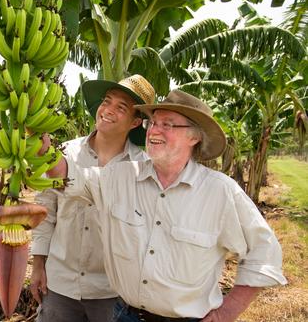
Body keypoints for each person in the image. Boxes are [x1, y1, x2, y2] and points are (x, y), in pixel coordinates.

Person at [46, 90, 286, 321]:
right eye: (153, 123)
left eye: (168, 124)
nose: (154, 130)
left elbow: (264, 253)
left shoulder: (220, 192)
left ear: (194, 137)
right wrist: (40, 143)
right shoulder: (119, 176)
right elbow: (67, 176)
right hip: (124, 315)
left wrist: (225, 314)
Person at [30, 74, 156, 321]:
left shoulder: (143, 169)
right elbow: (45, 211)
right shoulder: (66, 153)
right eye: (106, 101)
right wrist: (37, 266)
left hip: (110, 290)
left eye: (121, 108)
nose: (108, 110)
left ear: (134, 122)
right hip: (60, 283)